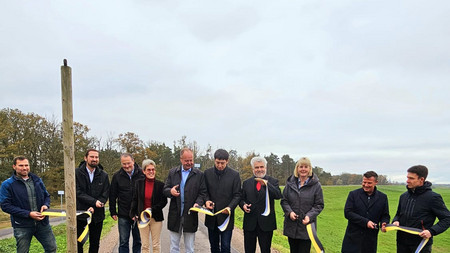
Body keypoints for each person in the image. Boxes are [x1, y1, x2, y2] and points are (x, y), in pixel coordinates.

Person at [0, 156, 57, 253]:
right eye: (21, 165)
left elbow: (46, 196)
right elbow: (5, 206)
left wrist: (46, 205)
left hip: (42, 224)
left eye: (26, 165)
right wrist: (28, 214)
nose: (24, 168)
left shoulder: (37, 180)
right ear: (14, 166)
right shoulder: (7, 184)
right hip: (22, 225)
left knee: (52, 248)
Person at [392, 165, 450, 253]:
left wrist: (431, 231)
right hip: (401, 243)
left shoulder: (433, 197)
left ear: (421, 179)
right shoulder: (404, 196)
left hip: (421, 244)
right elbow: (398, 214)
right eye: (407, 177)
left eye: (411, 178)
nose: (407, 181)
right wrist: (395, 221)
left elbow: (447, 218)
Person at [163, 147, 207, 253]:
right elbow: (165, 189)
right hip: (175, 214)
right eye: (186, 160)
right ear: (181, 159)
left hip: (191, 215)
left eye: (191, 160)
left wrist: (198, 203)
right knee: (174, 247)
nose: (189, 163)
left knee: (190, 248)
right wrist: (171, 192)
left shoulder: (199, 175)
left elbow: (203, 193)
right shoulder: (173, 172)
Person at [280, 157, 324, 253]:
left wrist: (309, 216)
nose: (303, 169)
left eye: (306, 167)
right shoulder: (290, 184)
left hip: (306, 227)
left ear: (309, 169)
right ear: (297, 168)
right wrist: (290, 212)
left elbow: (319, 205)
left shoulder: (316, 186)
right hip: (291, 226)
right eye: (301, 167)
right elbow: (284, 201)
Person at [239, 156, 282, 253]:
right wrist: (243, 205)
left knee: (265, 250)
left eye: (261, 167)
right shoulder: (246, 183)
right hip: (250, 223)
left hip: (266, 224)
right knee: (249, 250)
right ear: (253, 169)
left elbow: (278, 195)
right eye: (257, 167)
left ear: (265, 168)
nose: (259, 169)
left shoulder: (273, 181)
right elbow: (241, 199)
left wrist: (267, 184)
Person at [341, 171, 390, 253]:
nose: (366, 185)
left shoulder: (383, 197)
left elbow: (385, 215)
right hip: (352, 239)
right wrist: (366, 222)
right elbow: (348, 213)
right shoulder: (353, 194)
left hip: (370, 240)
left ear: (376, 182)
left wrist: (384, 223)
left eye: (369, 183)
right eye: (364, 182)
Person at [204, 149, 241, 253]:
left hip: (226, 218)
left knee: (225, 246)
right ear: (214, 160)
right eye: (217, 163)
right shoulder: (207, 173)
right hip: (212, 216)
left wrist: (229, 207)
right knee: (214, 246)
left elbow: (237, 195)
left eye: (222, 163)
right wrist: (207, 201)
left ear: (227, 161)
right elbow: (204, 191)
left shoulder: (234, 175)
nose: (219, 165)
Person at [75, 149, 110, 253]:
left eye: (96, 157)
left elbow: (105, 193)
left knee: (95, 243)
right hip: (80, 213)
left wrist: (95, 205)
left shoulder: (104, 175)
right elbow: (77, 192)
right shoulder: (76, 173)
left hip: (97, 215)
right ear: (86, 158)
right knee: (78, 242)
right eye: (92, 157)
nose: (94, 159)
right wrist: (93, 202)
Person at [130, 159, 168, 253]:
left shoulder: (160, 185)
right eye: (149, 170)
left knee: (156, 244)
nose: (151, 172)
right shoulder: (138, 184)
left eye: (153, 169)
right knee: (145, 245)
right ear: (144, 171)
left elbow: (164, 202)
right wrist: (132, 213)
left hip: (156, 218)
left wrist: (152, 209)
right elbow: (135, 199)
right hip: (143, 218)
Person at [110, 153, 145, 253]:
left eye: (128, 163)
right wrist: (113, 211)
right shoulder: (117, 176)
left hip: (139, 214)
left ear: (133, 161)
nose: (126, 166)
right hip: (123, 214)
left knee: (138, 241)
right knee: (123, 241)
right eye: (124, 164)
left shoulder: (142, 174)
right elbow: (112, 194)